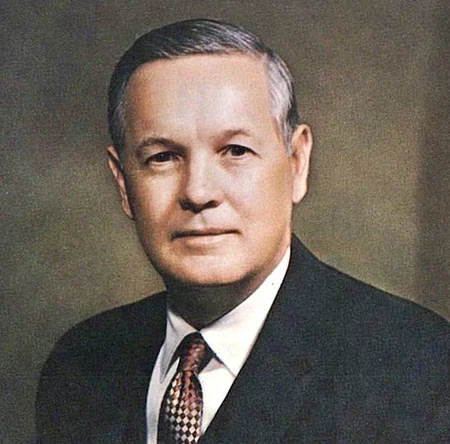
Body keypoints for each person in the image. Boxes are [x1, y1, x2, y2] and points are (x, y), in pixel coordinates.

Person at [35, 19, 450, 444]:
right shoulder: (81, 364)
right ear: (123, 183)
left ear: (296, 164)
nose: (198, 192)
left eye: (236, 151)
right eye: (163, 157)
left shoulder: (418, 368)